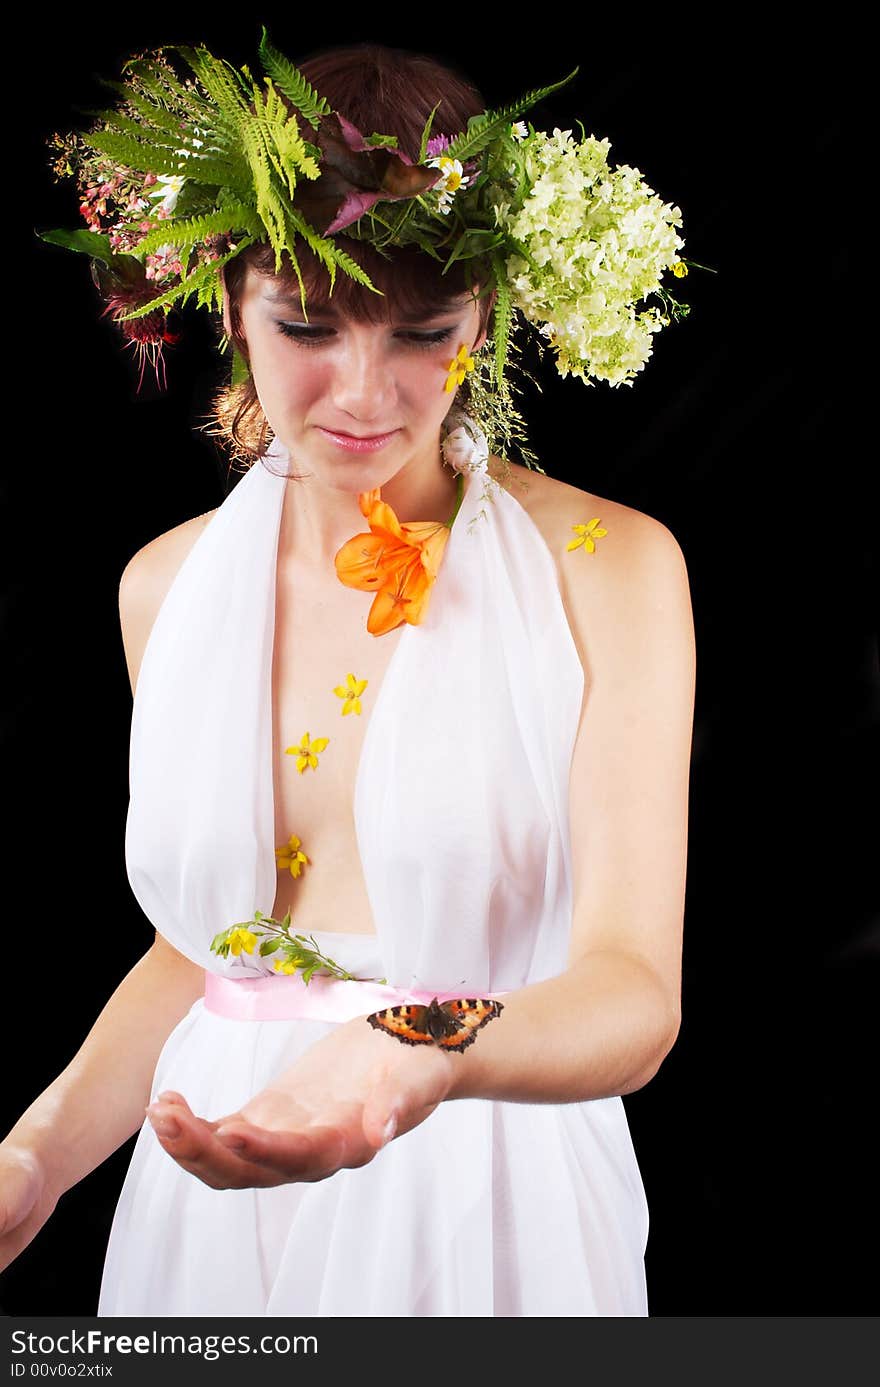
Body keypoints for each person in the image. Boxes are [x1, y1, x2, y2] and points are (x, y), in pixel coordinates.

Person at [2, 35, 696, 1316]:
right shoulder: (165, 587)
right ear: (230, 307)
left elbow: (631, 994)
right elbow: (207, 948)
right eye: (309, 325)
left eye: (424, 332)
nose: (366, 393)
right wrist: (35, 1157)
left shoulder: (611, 570)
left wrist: (405, 1056)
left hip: (488, 1180)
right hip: (208, 1175)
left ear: (485, 316)